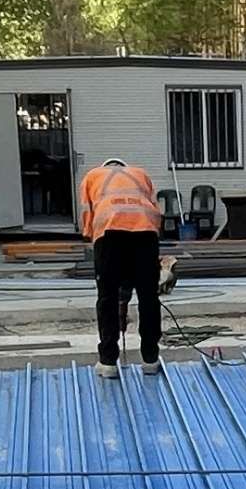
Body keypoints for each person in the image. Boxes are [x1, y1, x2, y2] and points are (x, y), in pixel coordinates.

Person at [80, 157, 164, 377]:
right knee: (148, 297)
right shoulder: (141, 174)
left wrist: (92, 238)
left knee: (107, 297)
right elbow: (156, 211)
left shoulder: (92, 176)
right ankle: (150, 359)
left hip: (110, 235)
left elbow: (88, 214)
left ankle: (108, 362)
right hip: (146, 235)